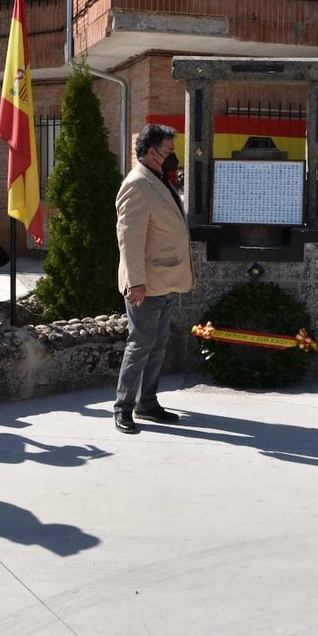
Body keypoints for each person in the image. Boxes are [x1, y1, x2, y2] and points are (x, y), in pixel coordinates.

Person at [113, 123, 195, 434]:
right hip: (145, 284)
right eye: (169, 151)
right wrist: (135, 282)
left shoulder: (158, 179)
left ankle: (147, 402)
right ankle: (123, 407)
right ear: (151, 151)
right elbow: (129, 239)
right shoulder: (137, 184)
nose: (174, 157)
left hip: (165, 279)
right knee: (141, 343)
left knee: (157, 344)